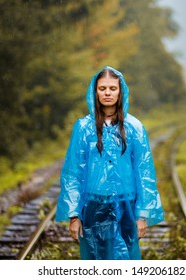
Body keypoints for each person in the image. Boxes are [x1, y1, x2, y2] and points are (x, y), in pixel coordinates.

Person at [55, 66, 164, 260]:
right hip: (93, 205)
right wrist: (73, 215)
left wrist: (142, 215)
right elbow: (73, 172)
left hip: (126, 206)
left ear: (121, 91)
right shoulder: (83, 128)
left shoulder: (135, 128)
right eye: (102, 88)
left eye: (112, 88)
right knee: (95, 258)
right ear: (95, 91)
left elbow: (144, 171)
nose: (107, 93)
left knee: (126, 260)